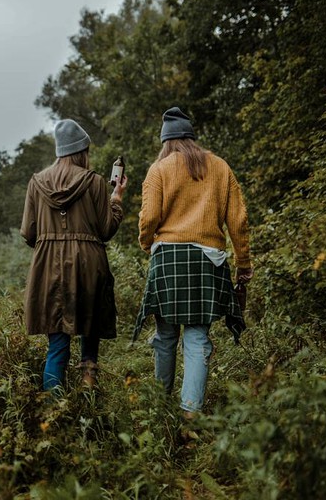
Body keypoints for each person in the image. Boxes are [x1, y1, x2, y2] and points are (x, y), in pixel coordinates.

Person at [134, 107, 253, 415]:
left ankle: (161, 403)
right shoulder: (219, 167)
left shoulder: (158, 170)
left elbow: (148, 218)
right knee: (198, 338)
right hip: (207, 260)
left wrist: (148, 244)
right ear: (191, 137)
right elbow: (238, 221)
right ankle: (190, 411)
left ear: (166, 141)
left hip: (169, 259)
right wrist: (243, 263)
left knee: (165, 336)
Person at [21, 119, 127, 392]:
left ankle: (54, 415)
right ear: (82, 152)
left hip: (48, 267)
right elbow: (105, 229)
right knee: (89, 326)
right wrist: (116, 199)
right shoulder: (94, 182)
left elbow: (28, 233)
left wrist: (52, 242)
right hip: (88, 264)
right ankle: (89, 393)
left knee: (57, 343)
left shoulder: (36, 183)